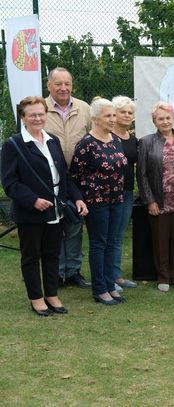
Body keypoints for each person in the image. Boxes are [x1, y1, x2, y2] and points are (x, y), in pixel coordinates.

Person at [1, 96, 88, 316]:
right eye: (32, 115)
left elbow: (64, 176)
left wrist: (76, 197)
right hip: (31, 212)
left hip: (56, 209)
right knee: (31, 256)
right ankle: (36, 298)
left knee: (52, 254)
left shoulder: (53, 140)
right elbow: (10, 183)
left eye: (41, 114)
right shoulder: (13, 145)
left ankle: (51, 294)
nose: (38, 118)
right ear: (23, 117)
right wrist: (33, 200)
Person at [70, 98, 127, 305]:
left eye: (114, 115)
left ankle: (110, 285)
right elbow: (73, 178)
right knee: (99, 243)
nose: (113, 119)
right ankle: (100, 289)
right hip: (96, 201)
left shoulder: (116, 140)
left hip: (117, 199)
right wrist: (80, 200)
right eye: (108, 116)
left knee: (112, 242)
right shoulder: (86, 144)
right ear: (95, 118)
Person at [137, 102, 174, 292]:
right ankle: (163, 277)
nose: (165, 121)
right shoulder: (146, 142)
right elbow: (142, 174)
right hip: (159, 199)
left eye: (168, 117)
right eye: (160, 118)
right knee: (160, 239)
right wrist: (149, 200)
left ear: (173, 119)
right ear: (154, 121)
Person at [44, 67, 92, 288]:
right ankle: (57, 272)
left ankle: (73, 271)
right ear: (49, 85)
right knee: (54, 226)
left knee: (74, 223)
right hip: (48, 178)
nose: (63, 88)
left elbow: (94, 138)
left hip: (78, 178)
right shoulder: (40, 108)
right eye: (58, 84)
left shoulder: (84, 108)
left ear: (72, 85)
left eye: (67, 84)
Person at [111, 96, 138, 291]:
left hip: (126, 191)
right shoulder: (107, 136)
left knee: (118, 235)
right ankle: (106, 277)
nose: (127, 115)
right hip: (108, 193)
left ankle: (116, 276)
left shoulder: (132, 138)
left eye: (130, 112)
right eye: (123, 112)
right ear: (114, 114)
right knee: (107, 236)